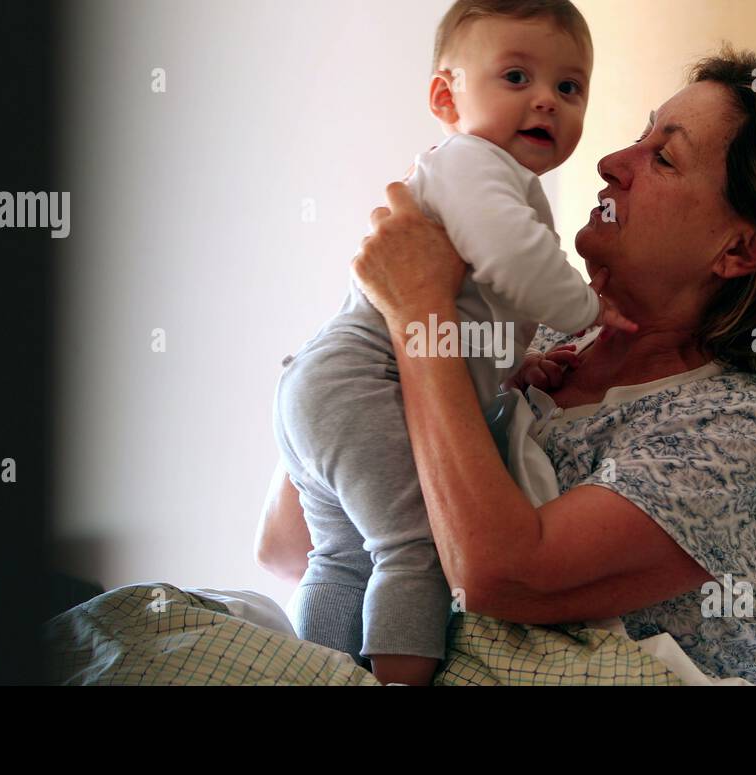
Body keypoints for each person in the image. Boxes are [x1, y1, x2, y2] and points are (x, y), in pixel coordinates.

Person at [261, 46, 756, 685]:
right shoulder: (542, 334)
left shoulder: (745, 430)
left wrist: (420, 318)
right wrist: (374, 317)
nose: (611, 163)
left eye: (662, 157)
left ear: (737, 250)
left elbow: (500, 575)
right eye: (637, 137)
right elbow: (289, 544)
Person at [271, 0, 632, 687]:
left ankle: (305, 671)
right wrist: (587, 308)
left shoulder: (484, 175)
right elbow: (510, 258)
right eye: (516, 77)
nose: (547, 104)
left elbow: (470, 308)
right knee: (416, 549)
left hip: (322, 386)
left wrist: (515, 363)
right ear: (446, 96)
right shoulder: (474, 162)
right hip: (363, 377)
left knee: (343, 556)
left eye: (569, 87)